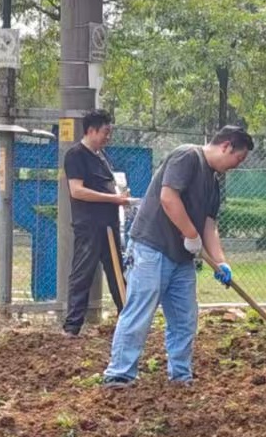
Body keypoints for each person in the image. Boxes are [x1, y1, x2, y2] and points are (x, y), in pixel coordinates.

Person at [104, 126, 253, 386]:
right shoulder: (187, 157)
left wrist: (221, 262)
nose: (236, 166)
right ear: (226, 146)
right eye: (237, 159)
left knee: (185, 318)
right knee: (139, 312)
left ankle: (180, 376)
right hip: (153, 247)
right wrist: (190, 234)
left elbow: (210, 226)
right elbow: (168, 197)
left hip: (182, 258)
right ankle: (119, 375)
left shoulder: (214, 184)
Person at [62, 110, 132, 337]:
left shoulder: (101, 156)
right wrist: (114, 199)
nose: (107, 137)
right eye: (105, 132)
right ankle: (72, 326)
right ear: (91, 130)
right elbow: (77, 191)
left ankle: (129, 318)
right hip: (90, 226)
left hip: (109, 225)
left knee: (117, 272)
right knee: (83, 273)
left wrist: (119, 196)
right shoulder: (76, 155)